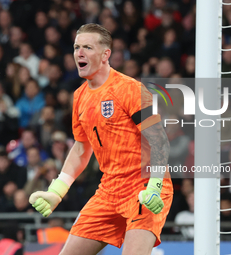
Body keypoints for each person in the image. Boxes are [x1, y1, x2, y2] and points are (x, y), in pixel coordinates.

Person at [29, 23, 173, 255]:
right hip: (109, 190)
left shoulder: (129, 89)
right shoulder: (79, 97)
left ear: (106, 54)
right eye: (77, 47)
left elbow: (159, 141)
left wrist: (155, 185)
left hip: (144, 187)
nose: (80, 53)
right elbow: (80, 149)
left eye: (87, 47)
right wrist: (56, 191)